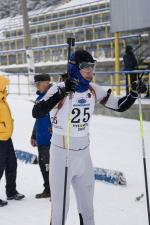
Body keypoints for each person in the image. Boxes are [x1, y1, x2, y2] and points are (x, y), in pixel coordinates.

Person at [32, 49, 147, 225]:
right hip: (62, 155)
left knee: (88, 212)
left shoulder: (93, 90)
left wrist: (133, 94)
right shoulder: (59, 89)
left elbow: (118, 105)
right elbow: (37, 111)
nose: (90, 72)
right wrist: (62, 93)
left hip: (84, 157)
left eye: (92, 67)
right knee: (59, 212)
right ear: (75, 68)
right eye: (85, 67)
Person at [0, 76, 25, 207]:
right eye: (5, 85)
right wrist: (3, 127)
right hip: (0, 139)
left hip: (7, 138)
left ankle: (11, 192)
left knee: (12, 165)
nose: (7, 87)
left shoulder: (3, 100)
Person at [31, 74, 52, 199]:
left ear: (46, 83)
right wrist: (34, 135)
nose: (37, 86)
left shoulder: (53, 96)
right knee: (43, 165)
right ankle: (48, 189)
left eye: (39, 83)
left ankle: (55, 191)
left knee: (51, 167)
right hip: (41, 138)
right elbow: (37, 119)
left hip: (51, 140)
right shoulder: (39, 97)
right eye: (36, 84)